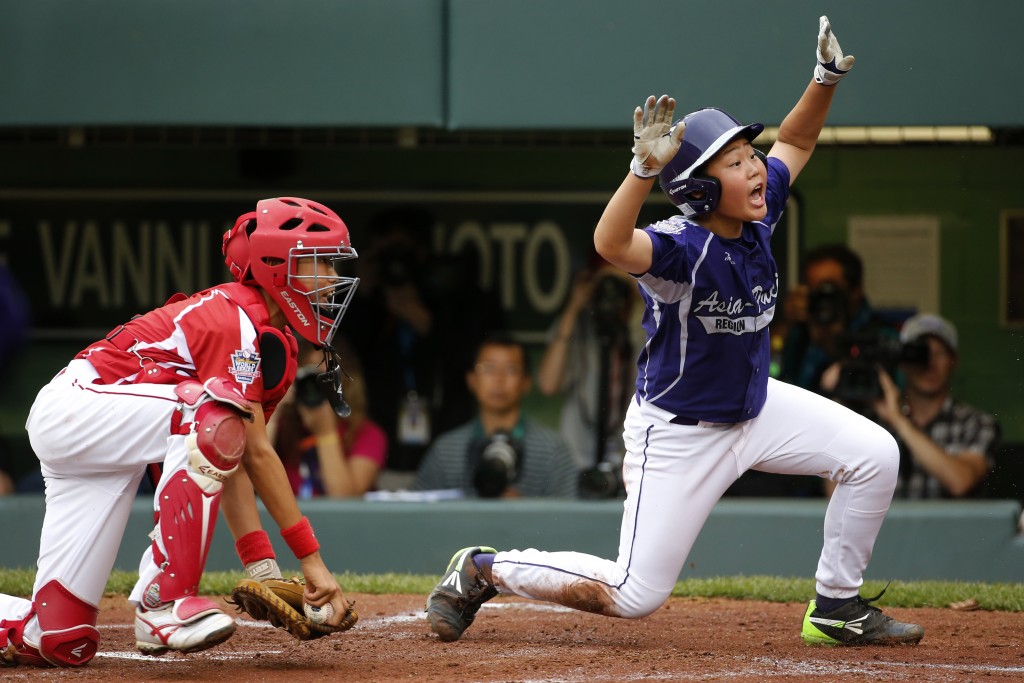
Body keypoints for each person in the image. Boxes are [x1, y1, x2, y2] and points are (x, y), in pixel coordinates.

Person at [424, 17, 924, 648]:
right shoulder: (679, 246)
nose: (755, 168)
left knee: (874, 454)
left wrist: (823, 80)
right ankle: (483, 569)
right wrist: (640, 170)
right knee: (634, 594)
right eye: (736, 162)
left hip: (754, 407)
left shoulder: (757, 213)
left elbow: (795, 142)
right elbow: (609, 243)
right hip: (680, 433)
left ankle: (835, 605)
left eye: (750, 156)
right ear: (700, 187)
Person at [0, 197, 360, 667]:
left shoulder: (270, 338)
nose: (332, 278)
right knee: (213, 417)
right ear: (275, 266)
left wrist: (262, 566)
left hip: (102, 432)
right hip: (78, 406)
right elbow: (242, 444)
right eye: (319, 262)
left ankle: (36, 628)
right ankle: (162, 602)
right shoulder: (234, 316)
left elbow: (231, 460)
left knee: (56, 638)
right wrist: (311, 561)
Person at [345, 207, 504, 476]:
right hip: (373, 452)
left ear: (422, 254)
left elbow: (472, 362)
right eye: (387, 255)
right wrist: (361, 294)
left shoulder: (450, 299)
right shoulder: (363, 303)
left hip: (445, 446)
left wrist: (421, 318)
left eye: (403, 253)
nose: (396, 264)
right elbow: (342, 358)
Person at [413, 332, 578, 498]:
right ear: (472, 380)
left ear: (526, 382)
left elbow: (569, 517)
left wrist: (525, 510)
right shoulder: (445, 450)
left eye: (511, 369)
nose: (499, 379)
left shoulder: (552, 450)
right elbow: (418, 515)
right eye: (488, 368)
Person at [871, 313, 1000, 499]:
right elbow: (837, 497)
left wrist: (899, 421)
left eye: (940, 353)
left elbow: (961, 482)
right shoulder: (876, 424)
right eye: (921, 354)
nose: (930, 363)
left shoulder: (977, 422)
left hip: (952, 528)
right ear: (903, 362)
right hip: (888, 529)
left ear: (953, 362)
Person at [537, 261, 641, 485]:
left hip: (628, 460)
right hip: (575, 457)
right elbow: (548, 384)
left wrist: (636, 288)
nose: (610, 297)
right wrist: (574, 306)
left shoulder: (641, 330)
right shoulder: (578, 328)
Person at [268, 337, 387, 498]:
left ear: (346, 384)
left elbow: (344, 500)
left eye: (328, 378)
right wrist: (271, 410)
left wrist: (325, 433)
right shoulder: (282, 428)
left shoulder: (367, 434)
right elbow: (246, 483)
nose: (320, 388)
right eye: (312, 379)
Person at [778, 243, 894, 395]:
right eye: (815, 291)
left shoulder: (882, 337)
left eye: (829, 289)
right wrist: (785, 325)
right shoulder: (799, 333)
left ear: (856, 290)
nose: (823, 299)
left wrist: (832, 341)